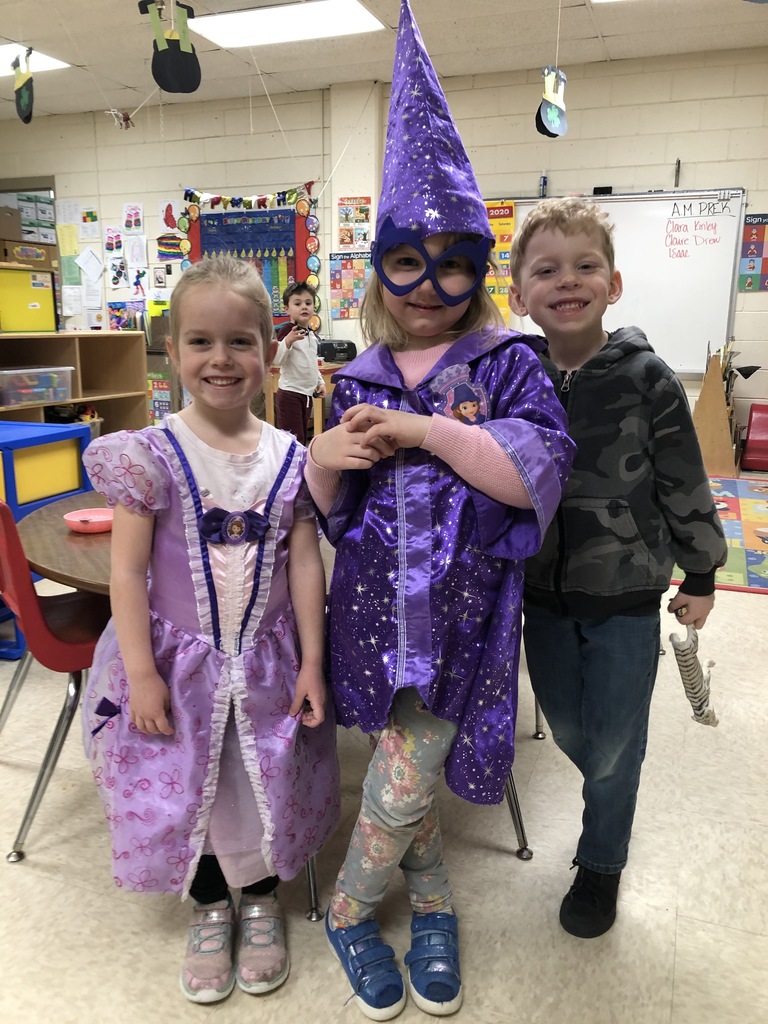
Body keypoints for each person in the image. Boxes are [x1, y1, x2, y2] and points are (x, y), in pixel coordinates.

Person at [303, 3, 575, 1019]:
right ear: (378, 270)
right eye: (406, 263)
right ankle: (428, 890)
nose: (430, 287)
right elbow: (325, 514)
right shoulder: (356, 374)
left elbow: (530, 476)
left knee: (410, 767)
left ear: (478, 266)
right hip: (370, 607)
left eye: (453, 261)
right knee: (392, 760)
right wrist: (326, 458)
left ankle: (346, 903)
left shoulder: (507, 365)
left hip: (464, 613)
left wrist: (425, 433)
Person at [81, 256, 340, 1004]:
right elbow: (127, 574)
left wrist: (312, 662)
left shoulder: (291, 458)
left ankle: (258, 898)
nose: (220, 360)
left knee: (256, 780)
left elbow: (303, 565)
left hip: (267, 661)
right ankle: (208, 902)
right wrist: (141, 672)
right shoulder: (149, 455)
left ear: (270, 349)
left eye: (239, 343)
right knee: (184, 780)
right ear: (173, 350)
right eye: (200, 342)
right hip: (169, 662)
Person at [507, 196, 727, 940]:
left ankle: (601, 860)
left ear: (614, 283)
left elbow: (683, 482)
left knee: (612, 744)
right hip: (541, 589)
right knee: (571, 727)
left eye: (586, 265)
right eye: (547, 269)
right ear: (520, 294)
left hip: (628, 592)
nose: (568, 280)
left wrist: (700, 576)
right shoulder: (511, 377)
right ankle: (601, 788)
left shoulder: (648, 378)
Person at [273, 280, 326, 445]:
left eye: (308, 303)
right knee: (292, 441)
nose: (304, 307)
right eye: (298, 303)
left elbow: (311, 362)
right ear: (286, 309)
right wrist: (287, 342)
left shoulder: (311, 335)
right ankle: (292, 470)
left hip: (307, 395)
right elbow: (277, 360)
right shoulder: (287, 331)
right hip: (290, 395)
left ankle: (301, 469)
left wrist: (320, 382)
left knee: (302, 438)